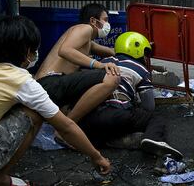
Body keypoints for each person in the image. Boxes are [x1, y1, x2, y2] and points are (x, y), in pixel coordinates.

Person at [0, 15, 111, 186]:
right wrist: (96, 156)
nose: (35, 54)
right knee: (34, 113)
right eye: (34, 49)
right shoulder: (21, 81)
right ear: (26, 52)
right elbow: (66, 127)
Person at [78, 31, 183, 160]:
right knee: (155, 118)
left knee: (101, 127)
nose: (145, 57)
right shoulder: (140, 68)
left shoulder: (103, 61)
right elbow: (149, 106)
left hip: (89, 115)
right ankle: (151, 138)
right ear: (137, 50)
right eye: (144, 53)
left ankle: (106, 140)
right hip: (116, 113)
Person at [35, 3, 120, 125]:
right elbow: (65, 50)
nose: (108, 25)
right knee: (111, 76)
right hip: (49, 83)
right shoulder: (84, 28)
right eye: (105, 20)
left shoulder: (88, 41)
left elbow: (112, 52)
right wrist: (98, 65)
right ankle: (69, 125)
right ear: (93, 21)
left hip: (52, 86)